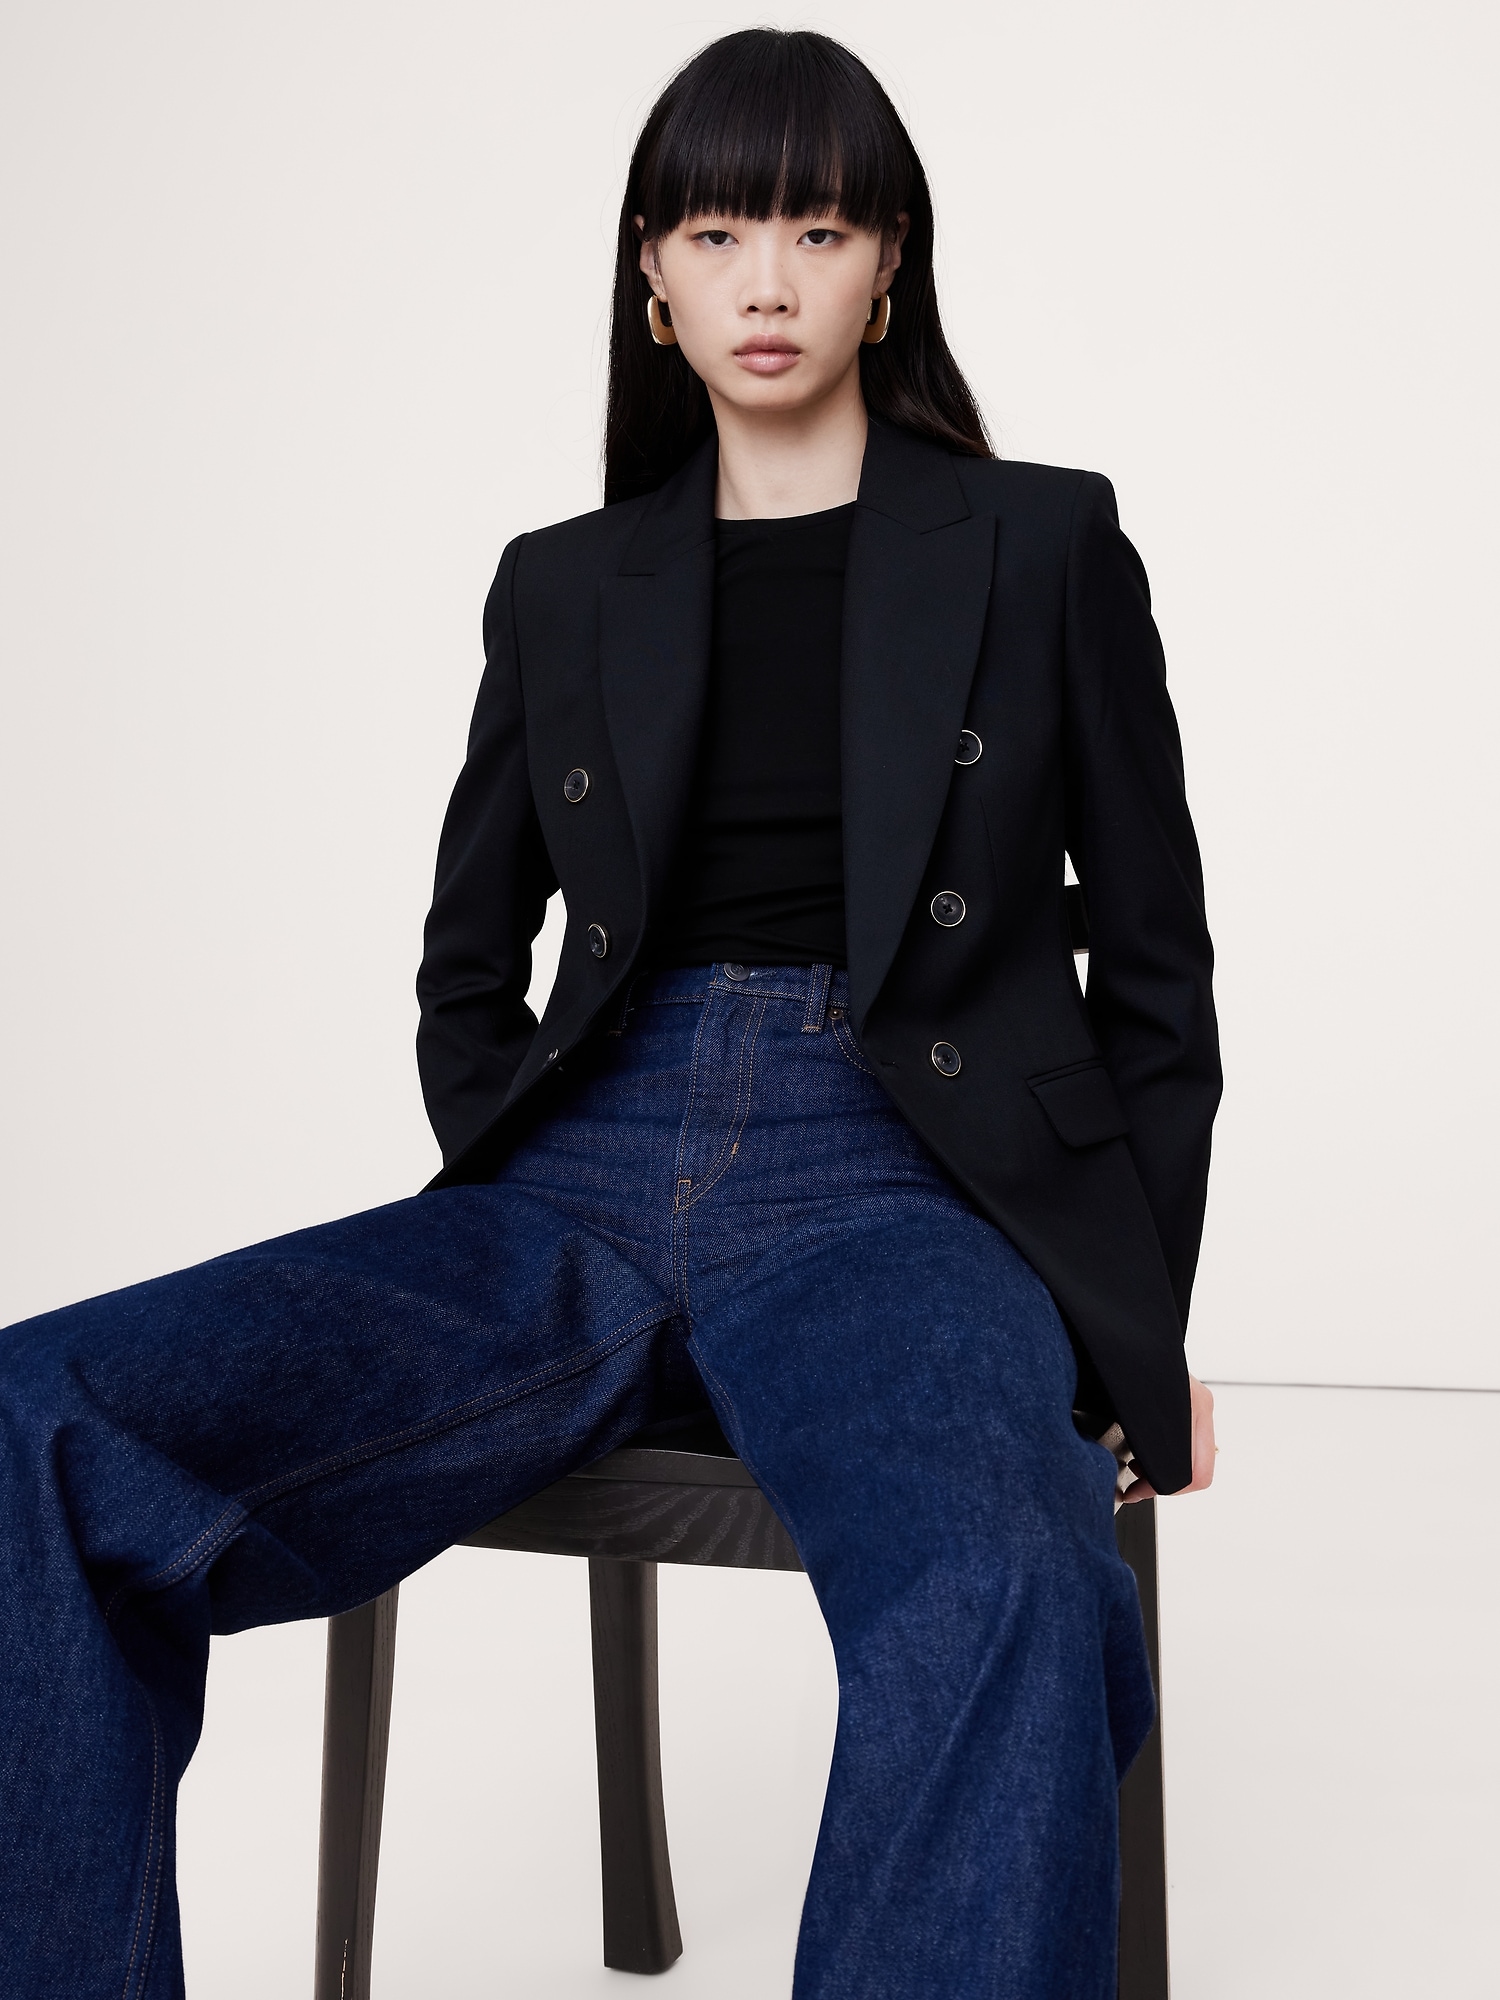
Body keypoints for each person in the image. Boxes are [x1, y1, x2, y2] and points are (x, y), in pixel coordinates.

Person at [0, 28, 1220, 2000]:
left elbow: (1156, 971)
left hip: (903, 1189)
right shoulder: (564, 585)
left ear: (889, 268)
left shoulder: (1043, 542)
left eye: (818, 229)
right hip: (580, 1176)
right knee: (40, 1420)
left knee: (1000, 1574)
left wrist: (1129, 1335)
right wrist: (524, 1164)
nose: (766, 279)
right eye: (716, 231)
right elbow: (467, 954)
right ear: (651, 272)